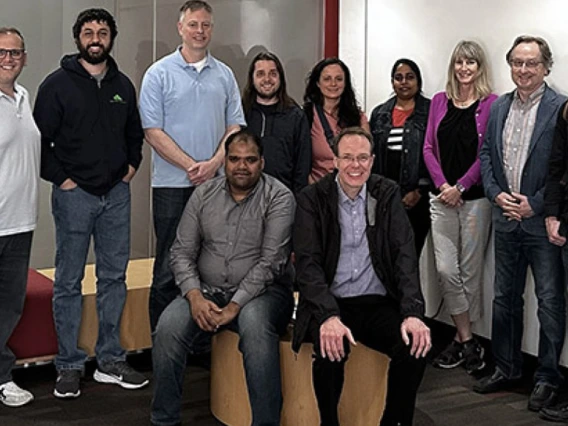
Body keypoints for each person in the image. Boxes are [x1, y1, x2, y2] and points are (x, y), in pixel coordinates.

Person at [33, 8, 147, 399]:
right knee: (67, 281)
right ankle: (68, 364)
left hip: (116, 194)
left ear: (111, 37)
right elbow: (40, 142)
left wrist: (131, 167)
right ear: (77, 37)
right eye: (88, 32)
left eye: (102, 31)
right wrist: (62, 180)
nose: (95, 38)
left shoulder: (123, 85)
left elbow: (136, 131)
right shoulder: (57, 85)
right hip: (74, 196)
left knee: (113, 278)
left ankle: (110, 360)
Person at [151, 130, 295, 426]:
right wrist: (194, 296)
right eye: (234, 159)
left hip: (265, 294)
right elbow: (180, 252)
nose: (242, 166)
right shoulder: (204, 194)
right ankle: (164, 419)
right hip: (207, 290)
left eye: (250, 160)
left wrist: (235, 305)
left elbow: (271, 262)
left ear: (262, 163)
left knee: (254, 326)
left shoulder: (279, 197)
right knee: (167, 327)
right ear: (224, 163)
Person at [293, 127, 431, 426]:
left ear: (372, 160)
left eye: (363, 158)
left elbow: (404, 255)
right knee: (330, 349)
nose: (356, 165)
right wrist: (328, 316)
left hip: (376, 301)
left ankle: (393, 421)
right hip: (333, 302)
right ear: (335, 160)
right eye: (348, 158)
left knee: (415, 346)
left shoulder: (387, 193)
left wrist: (412, 313)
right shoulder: (312, 199)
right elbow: (308, 264)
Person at [139, 0, 245, 331]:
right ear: (180, 27)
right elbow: (152, 131)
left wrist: (214, 163)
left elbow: (235, 127)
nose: (200, 31)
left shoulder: (224, 74)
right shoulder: (158, 74)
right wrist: (190, 166)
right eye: (193, 25)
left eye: (206, 25)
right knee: (170, 266)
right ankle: (164, 347)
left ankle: (200, 342)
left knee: (210, 266)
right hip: (172, 186)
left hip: (215, 185)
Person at [476, 35, 566, 414]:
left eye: (531, 63)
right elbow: (486, 153)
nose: (523, 70)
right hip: (505, 216)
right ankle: (508, 367)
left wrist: (537, 204)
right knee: (504, 299)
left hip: (541, 221)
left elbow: (564, 167)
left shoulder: (560, 108)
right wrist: (497, 195)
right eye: (517, 62)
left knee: (549, 301)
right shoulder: (499, 107)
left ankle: (546, 376)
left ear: (546, 66)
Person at [423, 40, 497, 374]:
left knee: (469, 273)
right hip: (441, 199)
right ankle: (469, 341)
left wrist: (462, 186)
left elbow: (487, 154)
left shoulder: (491, 104)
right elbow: (427, 148)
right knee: (445, 271)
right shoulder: (440, 101)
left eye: (471, 63)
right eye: (459, 62)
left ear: (480, 68)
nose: (464, 68)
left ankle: (460, 339)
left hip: (476, 201)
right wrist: (443, 187)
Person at [0, 27, 40, 408]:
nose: (8, 59)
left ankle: (0, 376)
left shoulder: (24, 98)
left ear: (24, 58)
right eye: (1, 52)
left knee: (9, 305)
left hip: (20, 222)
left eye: (15, 53)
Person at [370, 58, 431, 255]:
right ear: (392, 82)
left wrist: (419, 190)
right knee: (387, 255)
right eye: (398, 78)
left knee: (411, 255)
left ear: (418, 81)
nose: (404, 82)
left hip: (418, 200)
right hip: (386, 198)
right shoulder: (379, 113)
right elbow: (373, 157)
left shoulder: (430, 111)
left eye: (410, 77)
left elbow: (434, 153)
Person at [242, 51, 311, 193]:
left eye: (273, 74)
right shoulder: (241, 114)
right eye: (260, 74)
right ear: (252, 79)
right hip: (244, 196)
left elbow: (302, 166)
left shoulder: (296, 116)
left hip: (284, 198)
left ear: (280, 78)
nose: (267, 79)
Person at [303, 57, 370, 183]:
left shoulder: (358, 118)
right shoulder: (306, 116)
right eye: (327, 79)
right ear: (318, 83)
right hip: (317, 191)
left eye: (338, 79)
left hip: (352, 189)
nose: (333, 84)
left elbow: (367, 157)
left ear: (345, 83)